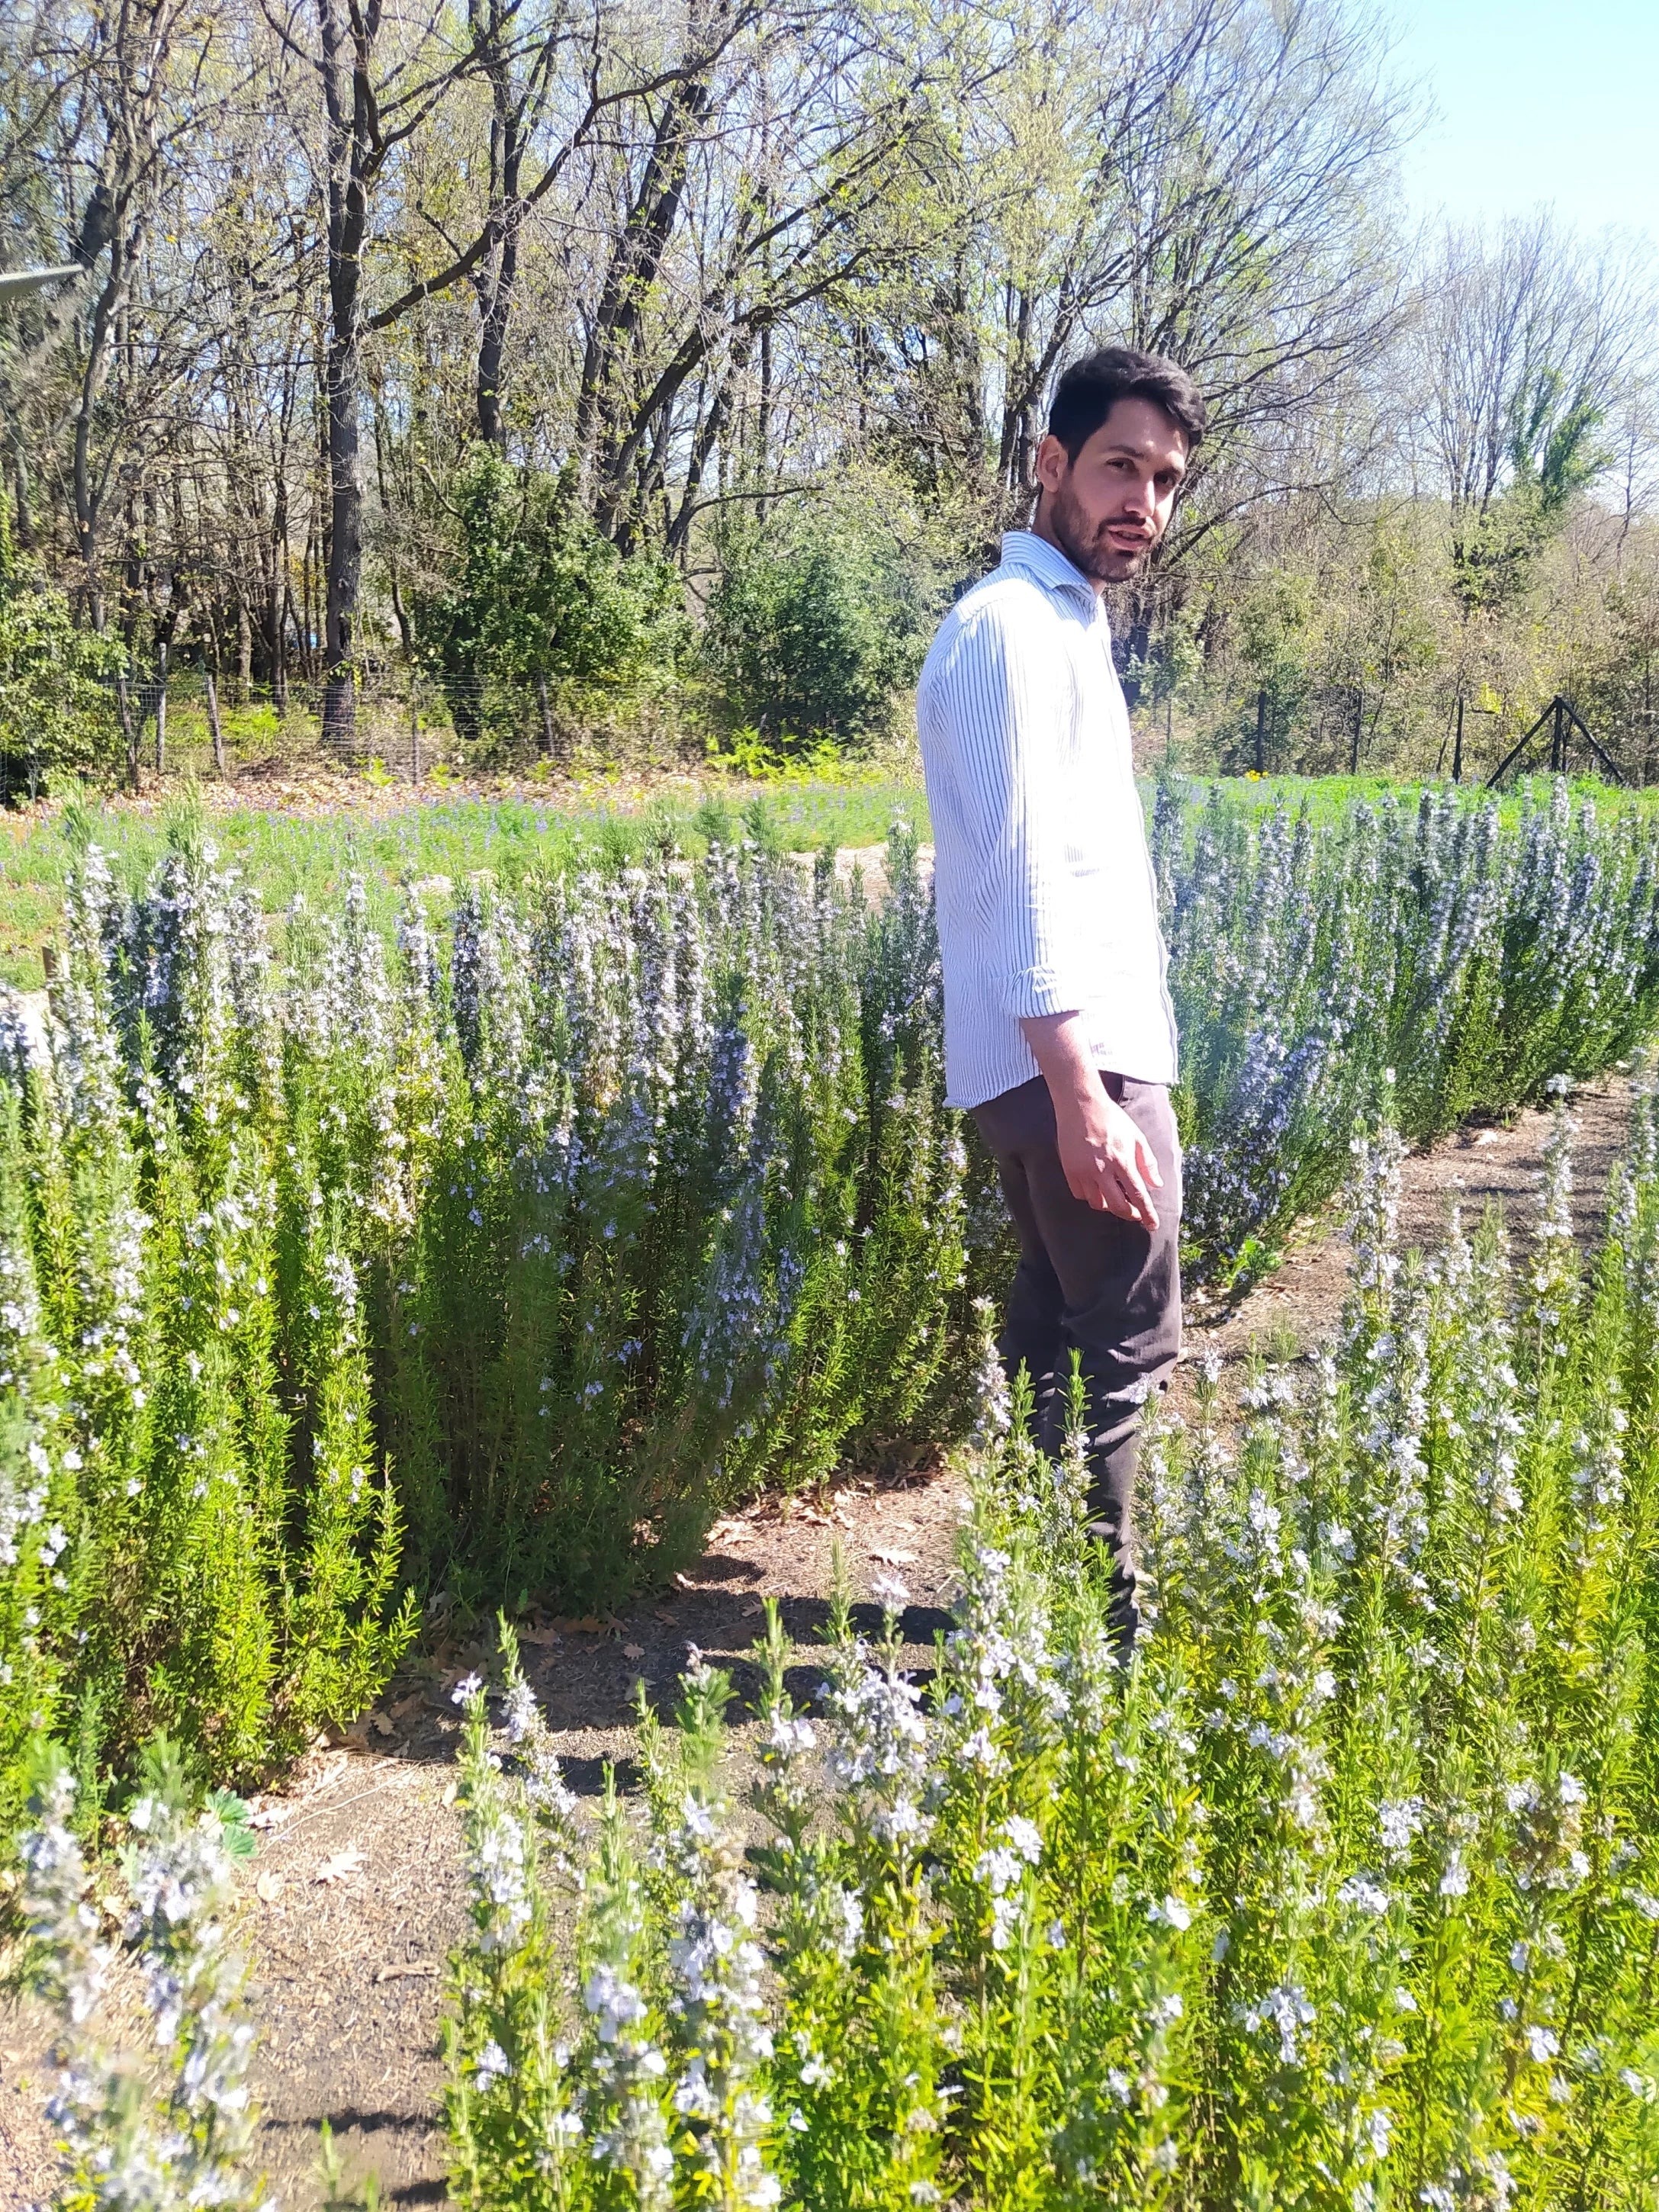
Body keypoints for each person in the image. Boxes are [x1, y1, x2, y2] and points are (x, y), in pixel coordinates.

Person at [916, 344, 1205, 1645]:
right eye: (1117, 468)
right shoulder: (1009, 628)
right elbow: (1020, 871)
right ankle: (1111, 1633)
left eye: (1164, 479)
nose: (1142, 500)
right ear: (1050, 466)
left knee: (1058, 1330)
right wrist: (1085, 1091)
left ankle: (1031, 1609)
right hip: (1069, 1057)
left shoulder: (1065, 622)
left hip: (1060, 1051)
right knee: (1128, 1344)